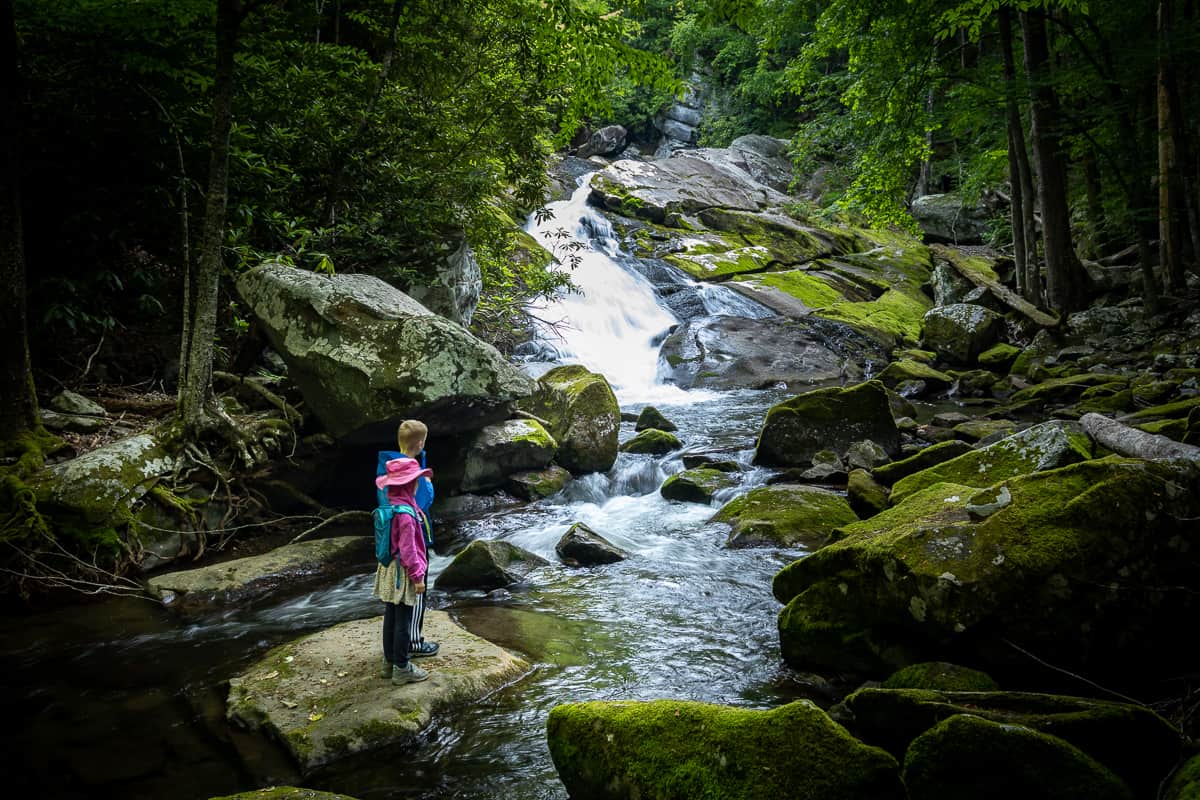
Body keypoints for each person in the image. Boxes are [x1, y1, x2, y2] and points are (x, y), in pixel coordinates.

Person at [375, 420, 439, 658]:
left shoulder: (389, 466)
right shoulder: (410, 472)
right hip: (411, 549)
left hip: (390, 552)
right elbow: (422, 502)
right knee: (414, 599)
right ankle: (413, 642)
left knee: (393, 607)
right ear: (420, 442)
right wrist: (428, 486)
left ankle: (393, 655)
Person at [372, 457, 434, 685]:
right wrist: (418, 577)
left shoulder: (390, 507)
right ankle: (402, 667)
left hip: (389, 568)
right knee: (403, 622)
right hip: (404, 573)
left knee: (390, 616)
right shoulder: (407, 515)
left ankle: (388, 663)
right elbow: (409, 550)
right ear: (410, 485)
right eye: (416, 481)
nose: (418, 484)